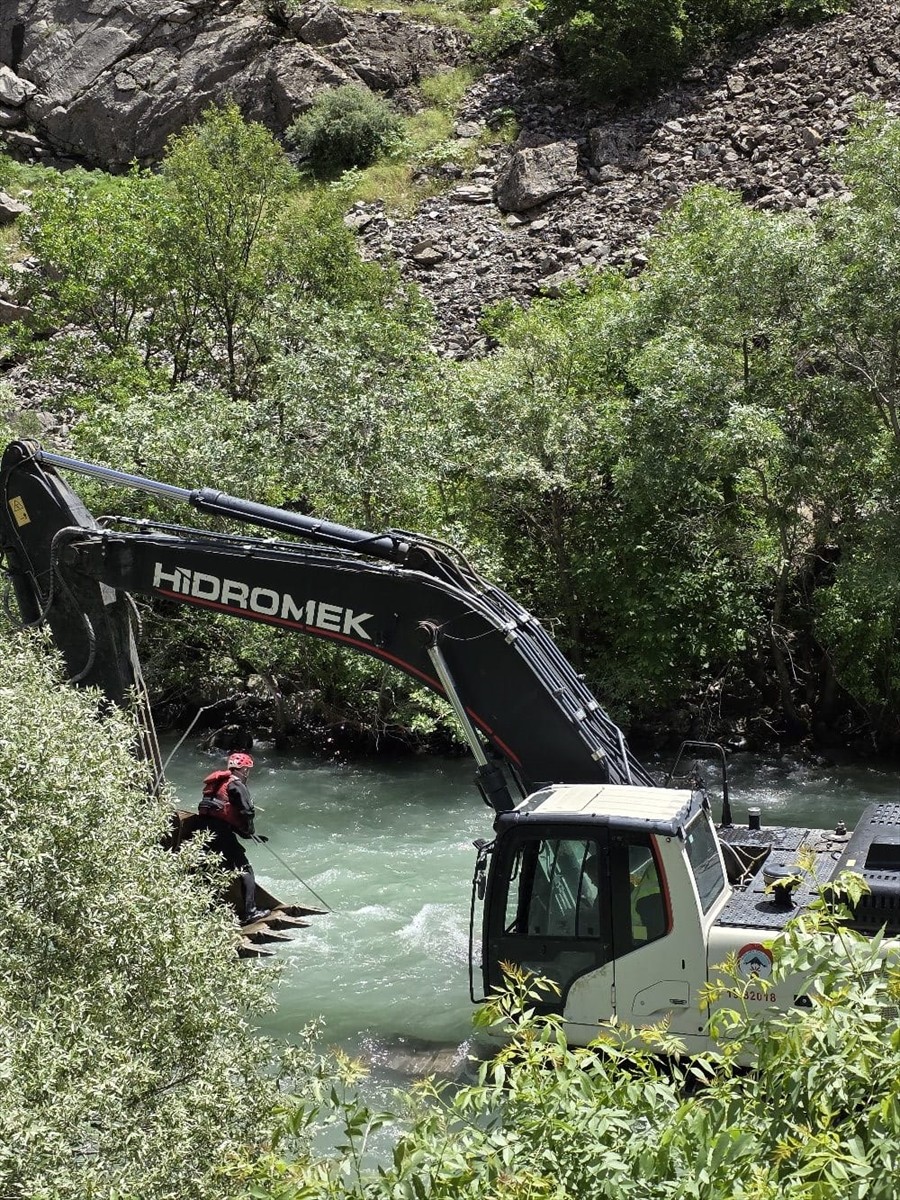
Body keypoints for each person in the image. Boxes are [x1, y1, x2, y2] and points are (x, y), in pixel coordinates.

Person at [195, 751, 269, 925]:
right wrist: (250, 831)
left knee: (211, 870)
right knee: (245, 869)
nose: (247, 773)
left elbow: (221, 813)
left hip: (203, 831)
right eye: (247, 770)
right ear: (243, 769)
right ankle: (250, 913)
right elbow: (246, 812)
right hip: (220, 831)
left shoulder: (218, 783)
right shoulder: (237, 785)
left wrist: (248, 835)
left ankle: (206, 914)